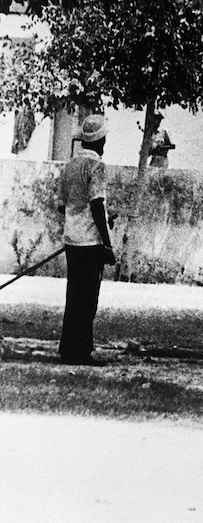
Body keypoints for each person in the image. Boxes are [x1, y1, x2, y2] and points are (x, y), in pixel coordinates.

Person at [56, 114, 116, 366]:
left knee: (73, 295)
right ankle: (82, 351)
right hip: (90, 242)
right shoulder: (96, 166)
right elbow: (96, 203)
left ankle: (68, 349)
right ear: (100, 140)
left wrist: (77, 218)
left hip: (72, 239)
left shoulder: (70, 166)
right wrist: (107, 242)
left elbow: (62, 205)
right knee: (88, 298)